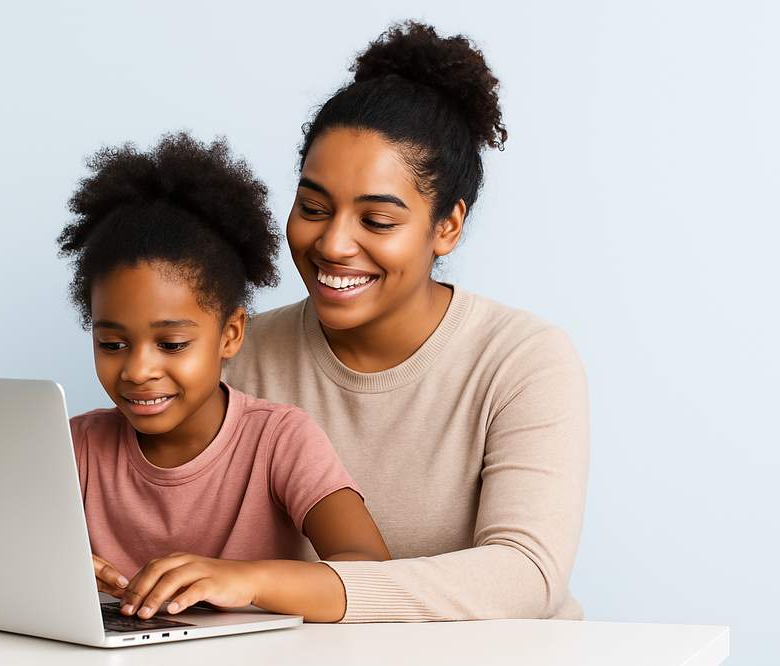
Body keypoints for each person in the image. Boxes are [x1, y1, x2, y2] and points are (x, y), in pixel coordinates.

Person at [223, 21, 590, 622]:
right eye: (313, 207)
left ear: (446, 226)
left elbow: (527, 573)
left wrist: (284, 585)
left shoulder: (523, 360)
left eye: (377, 221)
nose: (333, 243)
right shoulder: (238, 355)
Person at [56, 132, 390, 623]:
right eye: (112, 344)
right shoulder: (76, 447)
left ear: (231, 334)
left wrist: (245, 578)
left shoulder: (279, 439)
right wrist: (54, 573)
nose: (138, 370)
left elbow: (372, 571)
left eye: (171, 345)